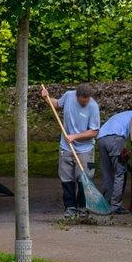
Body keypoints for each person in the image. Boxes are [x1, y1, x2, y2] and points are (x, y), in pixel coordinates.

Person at [41, 83, 99, 219]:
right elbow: (56, 104)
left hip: (85, 149)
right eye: (82, 99)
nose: (85, 101)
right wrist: (46, 98)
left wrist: (75, 136)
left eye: (87, 98)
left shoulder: (93, 106)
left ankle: (83, 208)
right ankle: (70, 207)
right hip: (66, 147)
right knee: (66, 178)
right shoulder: (68, 96)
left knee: (84, 178)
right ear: (77, 95)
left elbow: (94, 131)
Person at [95, 106, 132, 214]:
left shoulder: (118, 116)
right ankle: (115, 206)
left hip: (101, 139)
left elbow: (121, 157)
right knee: (120, 173)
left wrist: (129, 167)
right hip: (116, 139)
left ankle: (106, 203)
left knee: (107, 173)